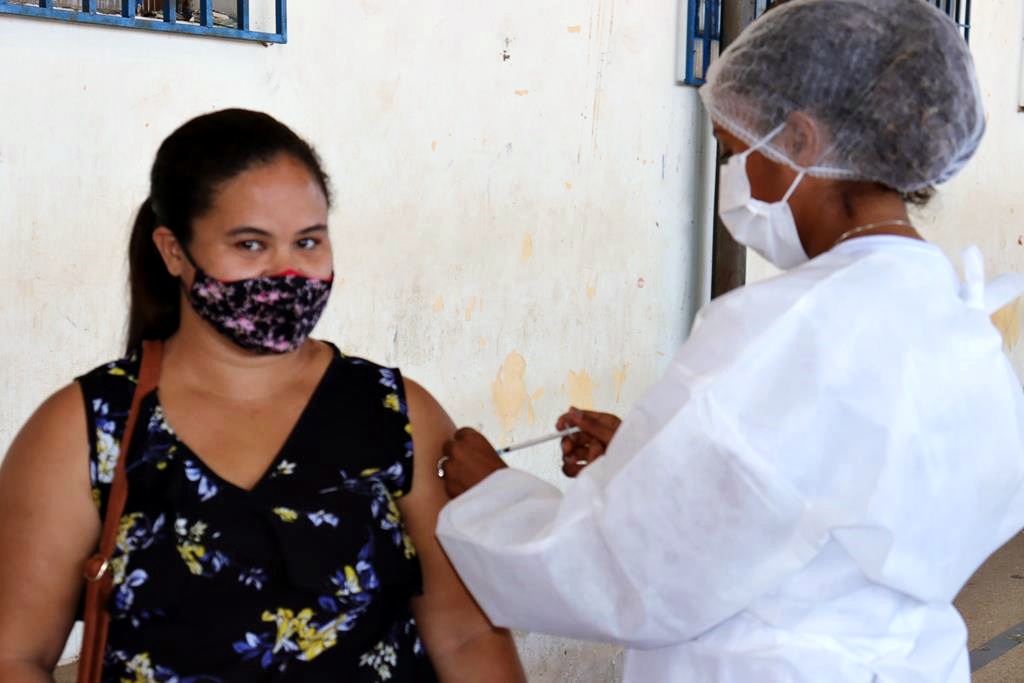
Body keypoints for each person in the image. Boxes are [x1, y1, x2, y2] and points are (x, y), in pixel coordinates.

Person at [433, 1, 1024, 681]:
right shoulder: (953, 315)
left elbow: (629, 573)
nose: (735, 180)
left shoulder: (786, 327)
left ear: (801, 141)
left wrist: (492, 496)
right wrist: (655, 460)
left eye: (738, 152)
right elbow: (835, 504)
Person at [0, 109, 525, 682]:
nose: (289, 272)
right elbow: (14, 654)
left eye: (307, 242)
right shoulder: (87, 427)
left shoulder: (395, 414)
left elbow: (467, 635)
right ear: (174, 251)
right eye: (250, 245)